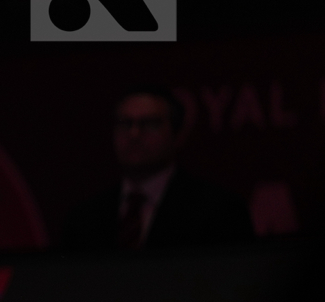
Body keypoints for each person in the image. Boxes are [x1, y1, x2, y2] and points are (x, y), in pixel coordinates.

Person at [62, 86, 253, 251]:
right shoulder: (84, 220)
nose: (134, 134)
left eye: (149, 124)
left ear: (177, 134)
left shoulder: (219, 212)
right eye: (125, 124)